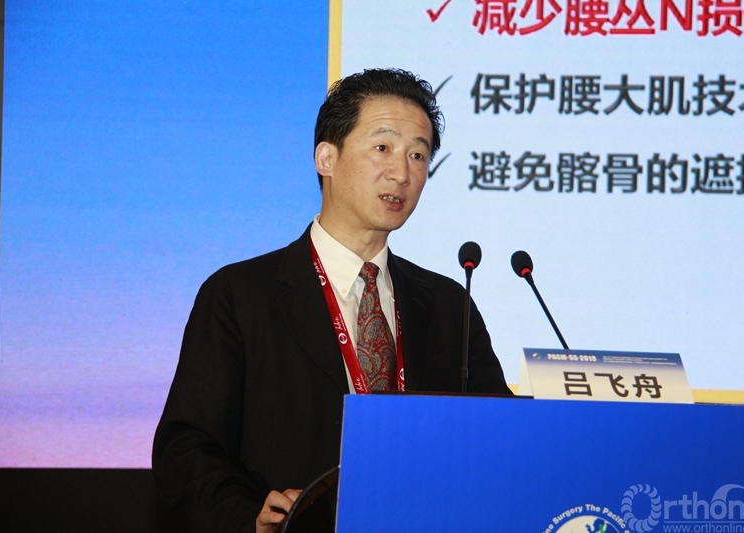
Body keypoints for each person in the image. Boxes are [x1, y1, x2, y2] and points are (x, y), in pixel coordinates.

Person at [152, 68, 512, 533]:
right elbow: (185, 447)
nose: (402, 173)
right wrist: (248, 514)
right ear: (327, 158)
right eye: (382, 148)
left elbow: (501, 435)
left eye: (418, 155)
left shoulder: (448, 305)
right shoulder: (240, 295)